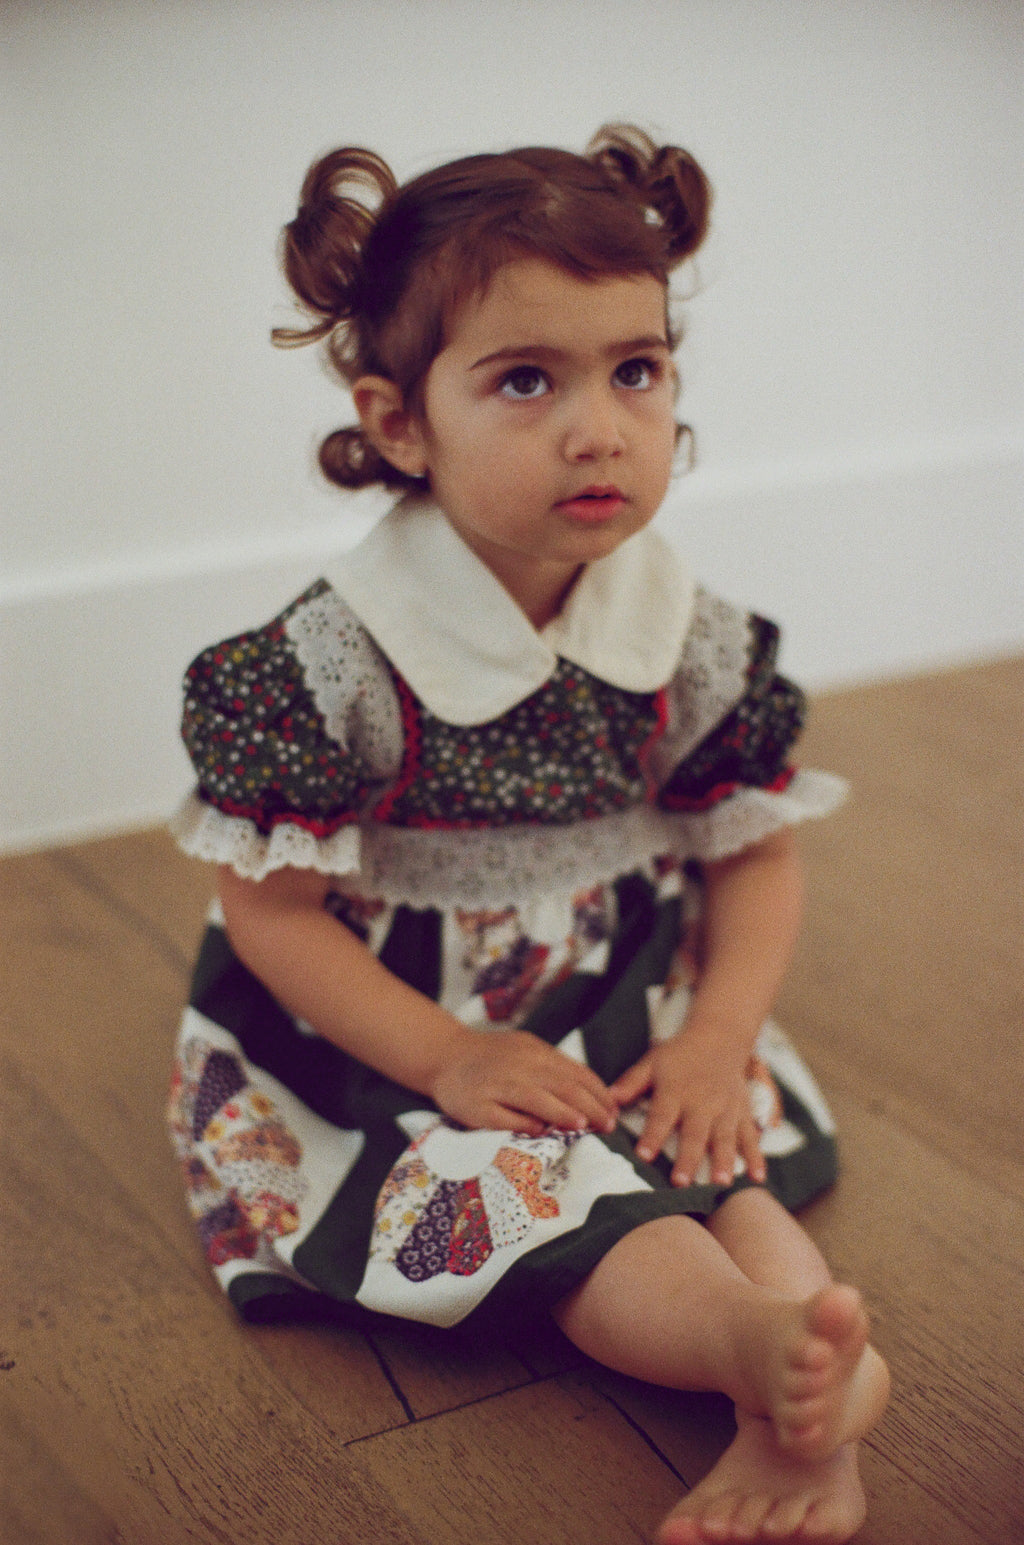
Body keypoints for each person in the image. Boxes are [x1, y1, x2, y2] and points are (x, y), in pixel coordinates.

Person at [168, 125, 889, 1544]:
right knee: (517, 1186)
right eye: (524, 379)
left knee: (703, 1136)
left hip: (622, 972)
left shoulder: (686, 630)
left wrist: (718, 1031)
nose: (599, 425)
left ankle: (802, 1366)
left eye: (636, 369)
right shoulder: (328, 665)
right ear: (397, 422)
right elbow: (273, 913)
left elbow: (751, 852)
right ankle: (749, 1355)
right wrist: (449, 1054)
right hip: (395, 1014)